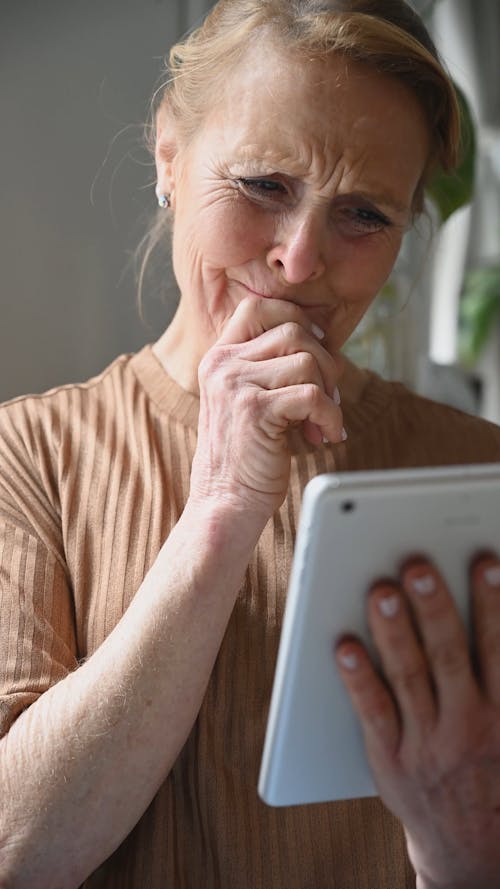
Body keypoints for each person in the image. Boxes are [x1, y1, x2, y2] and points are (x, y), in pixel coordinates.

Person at [1, 1, 500, 887]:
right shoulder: (28, 454)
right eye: (264, 186)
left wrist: (458, 851)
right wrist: (222, 510)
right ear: (168, 158)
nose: (302, 261)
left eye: (364, 215)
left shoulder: (479, 472)